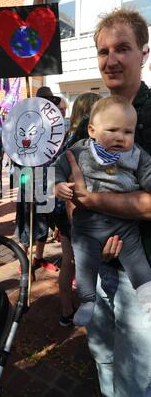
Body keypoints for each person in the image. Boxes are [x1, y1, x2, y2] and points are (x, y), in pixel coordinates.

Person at [66, 8, 151, 397]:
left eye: (123, 48)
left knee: (136, 388)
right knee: (103, 360)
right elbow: (71, 182)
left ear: (143, 54)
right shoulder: (96, 116)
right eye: (103, 51)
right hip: (99, 267)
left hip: (141, 275)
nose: (111, 59)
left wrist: (91, 201)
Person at [56, 95, 151, 326]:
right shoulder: (79, 150)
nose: (120, 137)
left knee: (137, 261)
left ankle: (147, 296)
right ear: (91, 130)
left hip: (124, 224)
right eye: (112, 130)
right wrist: (58, 185)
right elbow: (59, 167)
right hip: (87, 225)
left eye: (127, 132)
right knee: (84, 265)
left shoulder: (136, 154)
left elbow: (147, 174)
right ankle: (87, 300)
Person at [58, 92, 102, 327]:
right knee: (86, 263)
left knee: (68, 261)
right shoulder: (86, 140)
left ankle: (66, 310)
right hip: (80, 210)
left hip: (68, 209)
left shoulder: (67, 136)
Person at [15, 86, 62, 274]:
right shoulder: (25, 124)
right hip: (28, 178)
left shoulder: (55, 127)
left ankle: (39, 258)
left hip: (49, 179)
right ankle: (23, 261)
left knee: (44, 220)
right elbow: (15, 153)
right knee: (27, 222)